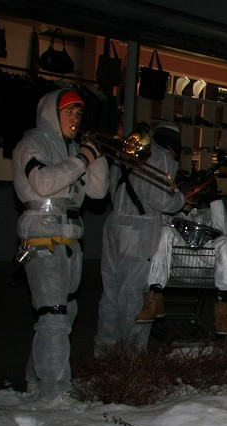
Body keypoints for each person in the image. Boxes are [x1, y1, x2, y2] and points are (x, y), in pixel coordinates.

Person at [12, 89, 109, 401]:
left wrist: (97, 155)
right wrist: (82, 158)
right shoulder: (33, 142)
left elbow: (97, 191)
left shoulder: (71, 149)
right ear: (52, 112)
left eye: (79, 113)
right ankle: (56, 393)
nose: (76, 118)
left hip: (69, 240)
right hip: (43, 238)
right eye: (70, 111)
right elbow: (42, 182)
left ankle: (34, 379)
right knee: (53, 315)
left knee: (59, 316)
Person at [94, 123, 188, 355]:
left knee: (111, 293)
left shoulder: (130, 148)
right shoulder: (164, 157)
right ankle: (133, 357)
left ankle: (105, 351)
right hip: (139, 230)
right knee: (136, 297)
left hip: (114, 224)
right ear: (174, 146)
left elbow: (110, 187)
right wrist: (182, 198)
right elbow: (163, 200)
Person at [135, 178, 227, 335]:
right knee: (164, 231)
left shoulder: (205, 214)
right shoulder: (168, 214)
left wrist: (214, 198)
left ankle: (223, 307)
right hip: (174, 267)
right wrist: (176, 200)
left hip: (207, 268)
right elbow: (155, 228)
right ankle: (154, 297)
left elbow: (224, 230)